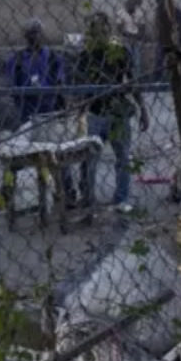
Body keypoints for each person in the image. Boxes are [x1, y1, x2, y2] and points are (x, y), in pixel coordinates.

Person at [75, 12, 148, 213]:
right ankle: (88, 198)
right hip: (95, 112)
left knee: (123, 157)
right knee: (89, 159)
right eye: (94, 29)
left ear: (108, 29)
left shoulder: (120, 51)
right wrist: (78, 113)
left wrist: (144, 109)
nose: (99, 32)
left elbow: (133, 81)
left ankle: (122, 198)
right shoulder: (85, 55)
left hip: (118, 113)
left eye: (102, 27)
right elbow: (80, 86)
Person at [7, 19, 67, 126]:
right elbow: (12, 85)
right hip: (27, 109)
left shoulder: (53, 56)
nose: (35, 36)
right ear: (26, 36)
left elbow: (60, 80)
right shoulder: (17, 59)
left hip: (49, 108)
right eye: (31, 33)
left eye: (37, 32)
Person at [117, 0, 149, 75]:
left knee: (137, 61)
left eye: (133, 4)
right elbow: (119, 29)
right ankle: (127, 77)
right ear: (126, 4)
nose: (131, 6)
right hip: (125, 40)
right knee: (125, 60)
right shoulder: (121, 13)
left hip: (136, 39)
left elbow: (143, 29)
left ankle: (136, 80)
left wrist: (136, 37)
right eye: (129, 4)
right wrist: (129, 36)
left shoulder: (139, 12)